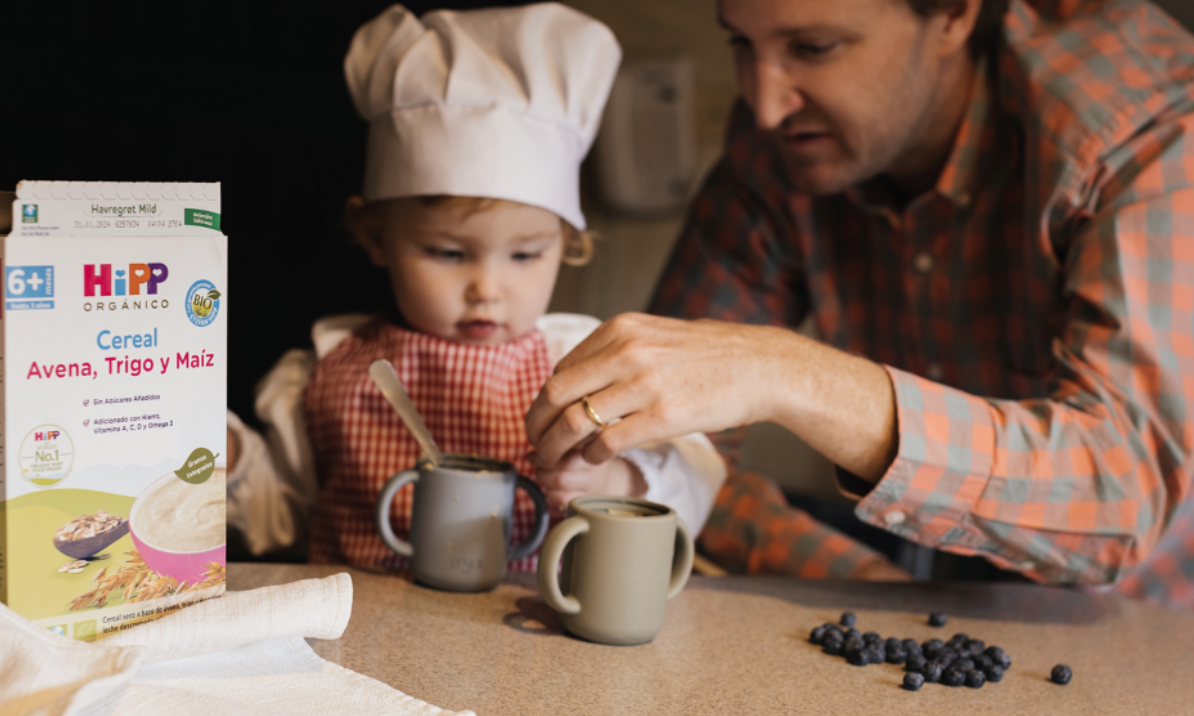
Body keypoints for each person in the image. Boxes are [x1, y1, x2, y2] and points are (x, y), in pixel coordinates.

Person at [525, 0, 1194, 606]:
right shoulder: (778, 152)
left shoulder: (1140, 134)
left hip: (1156, 631)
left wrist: (784, 372)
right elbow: (672, 453)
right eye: (741, 46)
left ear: (956, 16)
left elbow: (1122, 495)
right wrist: (861, 577)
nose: (764, 105)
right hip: (959, 595)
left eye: (813, 48)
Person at [223, 3, 732, 571]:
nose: (487, 288)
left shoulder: (582, 365)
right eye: (447, 252)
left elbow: (695, 476)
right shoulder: (326, 369)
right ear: (374, 235)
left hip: (523, 647)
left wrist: (616, 477)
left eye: (525, 254)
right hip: (354, 641)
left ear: (567, 244)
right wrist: (236, 459)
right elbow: (286, 516)